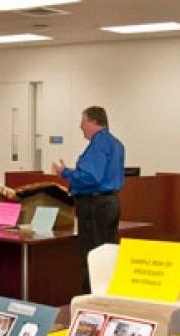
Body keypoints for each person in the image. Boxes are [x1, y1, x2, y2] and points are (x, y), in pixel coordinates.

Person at [51, 106, 125, 294]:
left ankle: (91, 298)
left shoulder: (98, 145)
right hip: (110, 203)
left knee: (92, 255)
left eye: (83, 122)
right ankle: (106, 294)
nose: (80, 126)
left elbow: (92, 177)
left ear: (93, 122)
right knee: (108, 253)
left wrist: (66, 173)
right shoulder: (116, 144)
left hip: (94, 205)